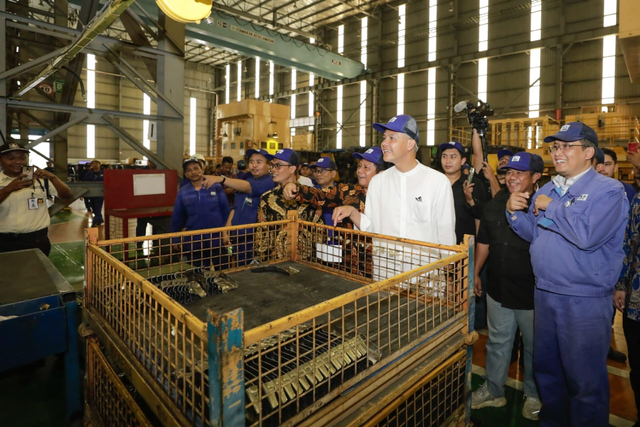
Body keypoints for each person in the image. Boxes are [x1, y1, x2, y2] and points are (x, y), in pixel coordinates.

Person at [505, 122, 628, 426]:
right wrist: (513, 214)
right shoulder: (549, 187)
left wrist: (553, 206)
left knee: (584, 381)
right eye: (555, 147)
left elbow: (587, 235)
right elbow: (537, 234)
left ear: (588, 153)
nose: (558, 153)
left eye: (566, 146)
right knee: (548, 373)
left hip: (582, 299)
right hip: (546, 293)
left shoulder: (609, 190)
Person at [332, 115, 456, 282]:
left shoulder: (437, 182)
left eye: (392, 138)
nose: (384, 143)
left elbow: (445, 231)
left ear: (410, 144)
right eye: (384, 138)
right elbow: (372, 228)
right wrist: (353, 213)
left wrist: (448, 273)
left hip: (425, 279)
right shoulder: (377, 182)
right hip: (385, 276)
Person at [471, 152, 543, 420]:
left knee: (535, 348)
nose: (512, 177)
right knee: (498, 342)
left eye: (519, 173)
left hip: (533, 293)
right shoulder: (495, 204)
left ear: (536, 177)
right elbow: (484, 242)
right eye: (509, 172)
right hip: (498, 288)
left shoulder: (545, 204)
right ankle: (494, 391)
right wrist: (476, 273)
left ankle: (534, 394)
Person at [204, 148, 275, 266]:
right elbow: (235, 207)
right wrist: (226, 231)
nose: (254, 165)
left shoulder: (269, 182)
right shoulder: (248, 179)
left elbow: (248, 187)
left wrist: (222, 179)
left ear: (269, 165)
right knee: (238, 269)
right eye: (251, 162)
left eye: (259, 162)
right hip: (238, 238)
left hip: (254, 240)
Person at [0, 142, 72, 256]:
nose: (18, 162)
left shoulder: (40, 180)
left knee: (36, 273)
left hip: (36, 240)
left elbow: (66, 195)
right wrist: (8, 189)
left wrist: (53, 177)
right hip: (3, 242)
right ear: (0, 160)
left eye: (22, 158)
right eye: (11, 158)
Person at [170, 157, 230, 268]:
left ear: (202, 170)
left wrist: (225, 233)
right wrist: (175, 238)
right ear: (186, 174)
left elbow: (225, 211)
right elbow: (177, 217)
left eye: (196, 168)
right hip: (194, 239)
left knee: (223, 269)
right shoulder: (183, 192)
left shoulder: (215, 187)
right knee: (197, 272)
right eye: (189, 170)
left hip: (216, 237)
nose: (193, 172)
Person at [614, 193, 640, 427]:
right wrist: (621, 284)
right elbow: (629, 243)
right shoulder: (639, 199)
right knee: (638, 367)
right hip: (636, 301)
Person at [439, 141, 487, 244]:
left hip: (463, 246)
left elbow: (481, 216)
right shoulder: (435, 182)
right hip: (438, 244)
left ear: (462, 161)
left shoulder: (473, 184)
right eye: (444, 156)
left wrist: (470, 201)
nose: (448, 161)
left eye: (453, 157)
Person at [83, 159, 105, 227]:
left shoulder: (103, 173)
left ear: (99, 165)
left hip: (100, 194)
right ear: (91, 165)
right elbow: (85, 183)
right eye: (93, 163)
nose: (95, 165)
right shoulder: (88, 174)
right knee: (94, 208)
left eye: (96, 163)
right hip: (91, 194)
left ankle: (94, 222)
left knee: (98, 207)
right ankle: (100, 219)